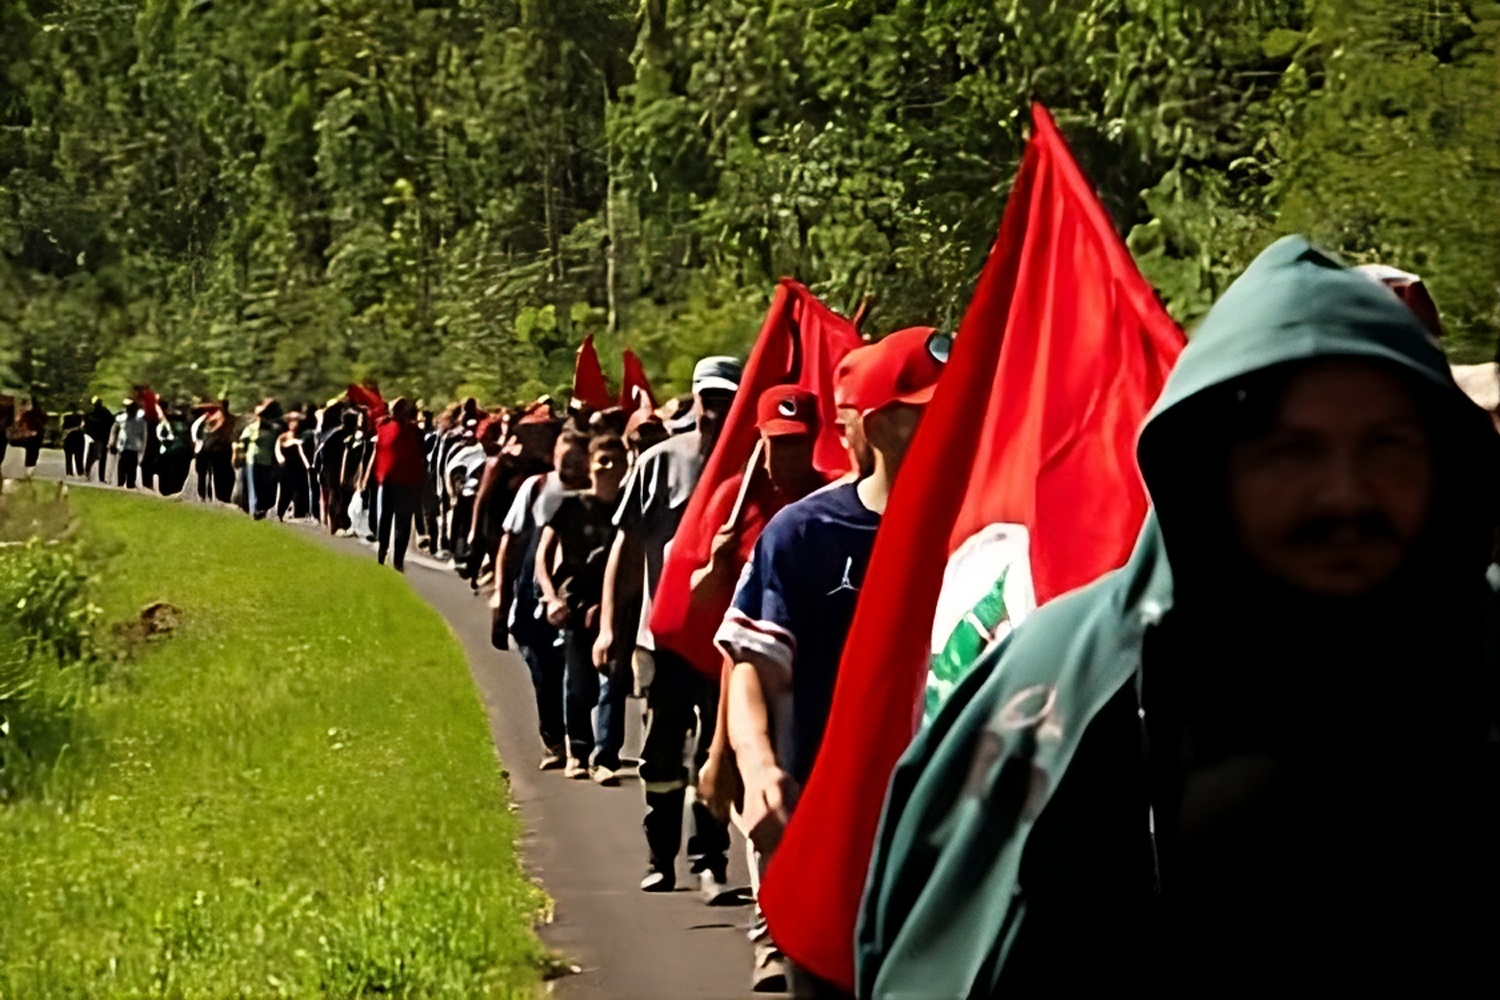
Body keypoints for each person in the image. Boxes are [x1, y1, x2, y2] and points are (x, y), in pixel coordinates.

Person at [858, 236, 1500, 997]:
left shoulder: (1481, 662)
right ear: (1212, 463)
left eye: (1387, 446)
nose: (1344, 495)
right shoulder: (1063, 688)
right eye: (1292, 450)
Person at [719, 335, 942, 996]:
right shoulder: (804, 534)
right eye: (929, 409)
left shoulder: (980, 526)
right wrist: (758, 769)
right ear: (878, 427)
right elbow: (753, 668)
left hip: (947, 837)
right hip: (836, 839)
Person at [593, 355, 742, 898]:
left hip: (728, 640)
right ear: (694, 397)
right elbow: (627, 550)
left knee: (716, 752)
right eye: (708, 398)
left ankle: (712, 859)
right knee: (661, 751)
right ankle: (661, 855)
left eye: (727, 400)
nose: (715, 411)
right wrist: (611, 625)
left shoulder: (750, 468)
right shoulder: (659, 463)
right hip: (667, 638)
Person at [535, 434, 630, 782]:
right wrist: (551, 597)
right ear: (589, 465)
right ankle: (577, 749)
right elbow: (542, 557)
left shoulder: (627, 510)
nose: (608, 468)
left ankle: (605, 757)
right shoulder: (570, 507)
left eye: (615, 462)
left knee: (613, 682)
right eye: (602, 460)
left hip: (616, 607)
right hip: (575, 605)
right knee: (578, 684)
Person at [496, 426, 589, 769]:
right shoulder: (536, 489)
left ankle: (580, 743)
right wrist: (500, 600)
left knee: (576, 674)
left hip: (578, 597)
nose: (571, 463)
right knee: (542, 671)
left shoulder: (599, 494)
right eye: (564, 455)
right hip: (532, 593)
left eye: (578, 456)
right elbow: (512, 541)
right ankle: (553, 740)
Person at [370, 398, 426, 570]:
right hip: (396, 481)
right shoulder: (388, 428)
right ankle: (388, 556)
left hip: (401, 481)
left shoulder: (408, 430)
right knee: (392, 519)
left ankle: (392, 557)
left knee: (396, 520)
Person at [241, 400, 283, 519]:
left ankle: (262, 508)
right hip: (252, 460)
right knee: (253, 486)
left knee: (265, 486)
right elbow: (242, 443)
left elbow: (278, 443)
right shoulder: (251, 428)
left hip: (267, 461)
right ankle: (254, 510)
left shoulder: (275, 429)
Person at [275, 413, 312, 520]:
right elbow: (277, 449)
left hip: (296, 467)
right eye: (292, 422)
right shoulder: (283, 436)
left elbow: (302, 453)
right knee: (284, 490)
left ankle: (297, 512)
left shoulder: (300, 438)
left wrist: (307, 466)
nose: (294, 424)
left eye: (296, 422)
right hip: (286, 467)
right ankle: (280, 513)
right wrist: (280, 458)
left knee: (297, 489)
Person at [111, 400, 147, 489]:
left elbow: (144, 437)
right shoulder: (122, 419)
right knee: (121, 469)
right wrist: (113, 443)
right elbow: (114, 431)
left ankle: (130, 486)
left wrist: (142, 451)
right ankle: (120, 485)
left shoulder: (141, 422)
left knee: (131, 471)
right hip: (123, 448)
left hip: (134, 449)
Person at [84, 397, 113, 483]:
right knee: (101, 458)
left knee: (93, 456)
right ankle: (101, 477)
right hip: (102, 437)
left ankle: (88, 472)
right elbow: (111, 422)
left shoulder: (92, 414)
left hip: (96, 437)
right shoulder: (105, 413)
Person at [16, 399, 46, 476]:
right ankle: (31, 466)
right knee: (35, 451)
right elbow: (44, 423)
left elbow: (20, 423)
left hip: (29, 434)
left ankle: (28, 465)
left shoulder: (27, 414)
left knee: (29, 451)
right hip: (38, 434)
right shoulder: (41, 414)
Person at [62, 410, 86, 476]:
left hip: (69, 438)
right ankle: (80, 471)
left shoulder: (66, 418)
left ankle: (69, 471)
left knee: (68, 456)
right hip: (79, 438)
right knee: (79, 456)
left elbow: (63, 428)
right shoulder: (80, 420)